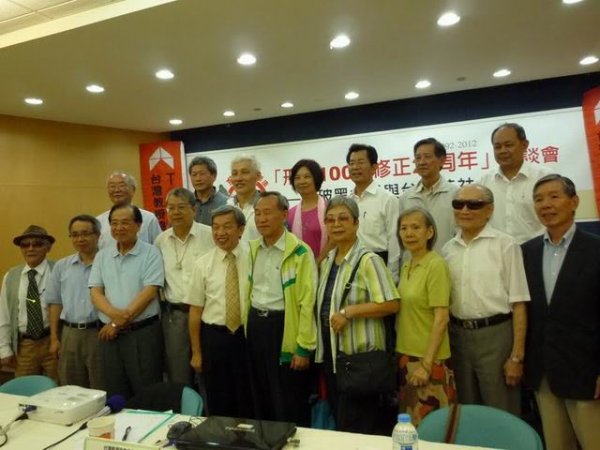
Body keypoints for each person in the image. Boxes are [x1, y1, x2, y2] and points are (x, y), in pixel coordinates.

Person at [521, 174, 600, 450]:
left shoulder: (595, 249)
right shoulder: (527, 252)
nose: (546, 205)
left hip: (586, 372)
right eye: (539, 199)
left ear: (574, 201)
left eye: (554, 197)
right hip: (544, 371)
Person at [442, 184, 529, 416]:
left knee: (501, 411)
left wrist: (516, 357)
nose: (465, 210)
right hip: (458, 337)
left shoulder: (506, 245)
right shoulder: (448, 250)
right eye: (459, 204)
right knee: (467, 411)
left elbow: (519, 303)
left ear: (489, 209)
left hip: (496, 337)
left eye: (474, 205)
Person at [315, 195, 399, 435]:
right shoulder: (328, 261)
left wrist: (349, 312)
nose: (336, 225)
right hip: (334, 359)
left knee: (359, 430)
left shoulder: (368, 260)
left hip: (360, 363)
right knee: (342, 427)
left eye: (343, 219)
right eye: (330, 220)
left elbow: (392, 303)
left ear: (356, 223)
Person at [245, 191, 317, 426]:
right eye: (257, 213)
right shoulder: (252, 249)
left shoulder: (300, 252)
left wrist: (303, 347)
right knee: (260, 394)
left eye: (267, 213)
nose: (261, 219)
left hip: (284, 327)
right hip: (256, 327)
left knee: (288, 398)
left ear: (284, 215)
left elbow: (307, 302)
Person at [89, 204, 164, 398]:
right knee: (115, 391)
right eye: (114, 223)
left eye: (125, 222)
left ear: (138, 225)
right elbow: (96, 292)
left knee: (146, 392)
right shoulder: (102, 256)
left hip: (142, 334)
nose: (119, 228)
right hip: (109, 336)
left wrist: (116, 323)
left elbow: (149, 292)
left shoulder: (151, 253)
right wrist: (115, 320)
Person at [186, 205, 253, 418]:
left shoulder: (255, 257)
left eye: (227, 227)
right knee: (218, 398)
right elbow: (195, 311)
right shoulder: (202, 264)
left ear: (241, 229)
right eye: (215, 227)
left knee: (249, 396)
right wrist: (196, 352)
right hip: (214, 338)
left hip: (247, 337)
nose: (220, 233)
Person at [396, 207, 454, 426]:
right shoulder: (407, 265)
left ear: (430, 232)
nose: (409, 233)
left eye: (415, 227)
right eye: (403, 228)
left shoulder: (435, 265)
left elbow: (441, 318)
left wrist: (427, 365)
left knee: (432, 428)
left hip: (429, 359)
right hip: (406, 357)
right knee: (410, 426)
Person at [154, 188, 213, 385]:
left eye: (181, 207)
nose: (175, 212)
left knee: (209, 370)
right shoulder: (161, 241)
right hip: (175, 316)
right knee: (178, 374)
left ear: (194, 210)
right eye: (171, 208)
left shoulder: (210, 235)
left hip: (207, 315)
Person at [44, 215, 103, 388]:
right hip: (70, 333)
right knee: (71, 386)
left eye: (85, 233)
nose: (80, 239)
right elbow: (55, 303)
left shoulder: (108, 262)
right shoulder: (62, 266)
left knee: (101, 385)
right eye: (75, 235)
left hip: (99, 332)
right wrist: (54, 338)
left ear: (97, 235)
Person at [0, 225, 57, 381]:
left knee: (58, 389)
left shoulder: (59, 270)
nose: (30, 248)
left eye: (37, 244)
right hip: (25, 347)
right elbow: (4, 315)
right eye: (25, 245)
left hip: (54, 343)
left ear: (48, 247)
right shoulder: (11, 276)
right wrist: (4, 349)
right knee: (25, 392)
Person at [480, 123, 553, 244]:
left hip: (537, 248)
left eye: (508, 145)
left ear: (524, 145)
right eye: (497, 147)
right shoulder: (483, 183)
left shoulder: (544, 178)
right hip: (496, 251)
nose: (503, 151)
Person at [347, 143, 401, 282]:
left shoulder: (387, 199)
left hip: (379, 262)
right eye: (352, 163)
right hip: (351, 264)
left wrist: (392, 275)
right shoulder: (347, 201)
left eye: (360, 162)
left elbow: (394, 239)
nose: (355, 167)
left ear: (374, 167)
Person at [399, 138, 457, 254]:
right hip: (414, 262)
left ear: (442, 160)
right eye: (418, 158)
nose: (422, 162)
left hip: (446, 261)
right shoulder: (406, 197)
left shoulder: (455, 195)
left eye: (427, 156)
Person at [97, 171, 162, 249]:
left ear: (133, 190)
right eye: (112, 186)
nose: (117, 190)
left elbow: (158, 247)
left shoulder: (148, 218)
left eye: (122, 185)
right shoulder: (99, 221)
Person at [287, 159, 330, 262]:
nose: (302, 181)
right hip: (299, 267)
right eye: (297, 178)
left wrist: (318, 262)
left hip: (327, 266)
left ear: (316, 179)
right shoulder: (290, 213)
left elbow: (335, 239)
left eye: (307, 177)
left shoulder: (329, 208)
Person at [227, 154, 262, 242]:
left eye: (245, 172)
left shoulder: (268, 205)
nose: (239, 178)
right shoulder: (227, 205)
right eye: (235, 174)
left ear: (258, 176)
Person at [188, 156, 229, 226]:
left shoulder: (226, 203)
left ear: (214, 176)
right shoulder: (186, 203)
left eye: (202, 174)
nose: (198, 179)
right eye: (194, 175)